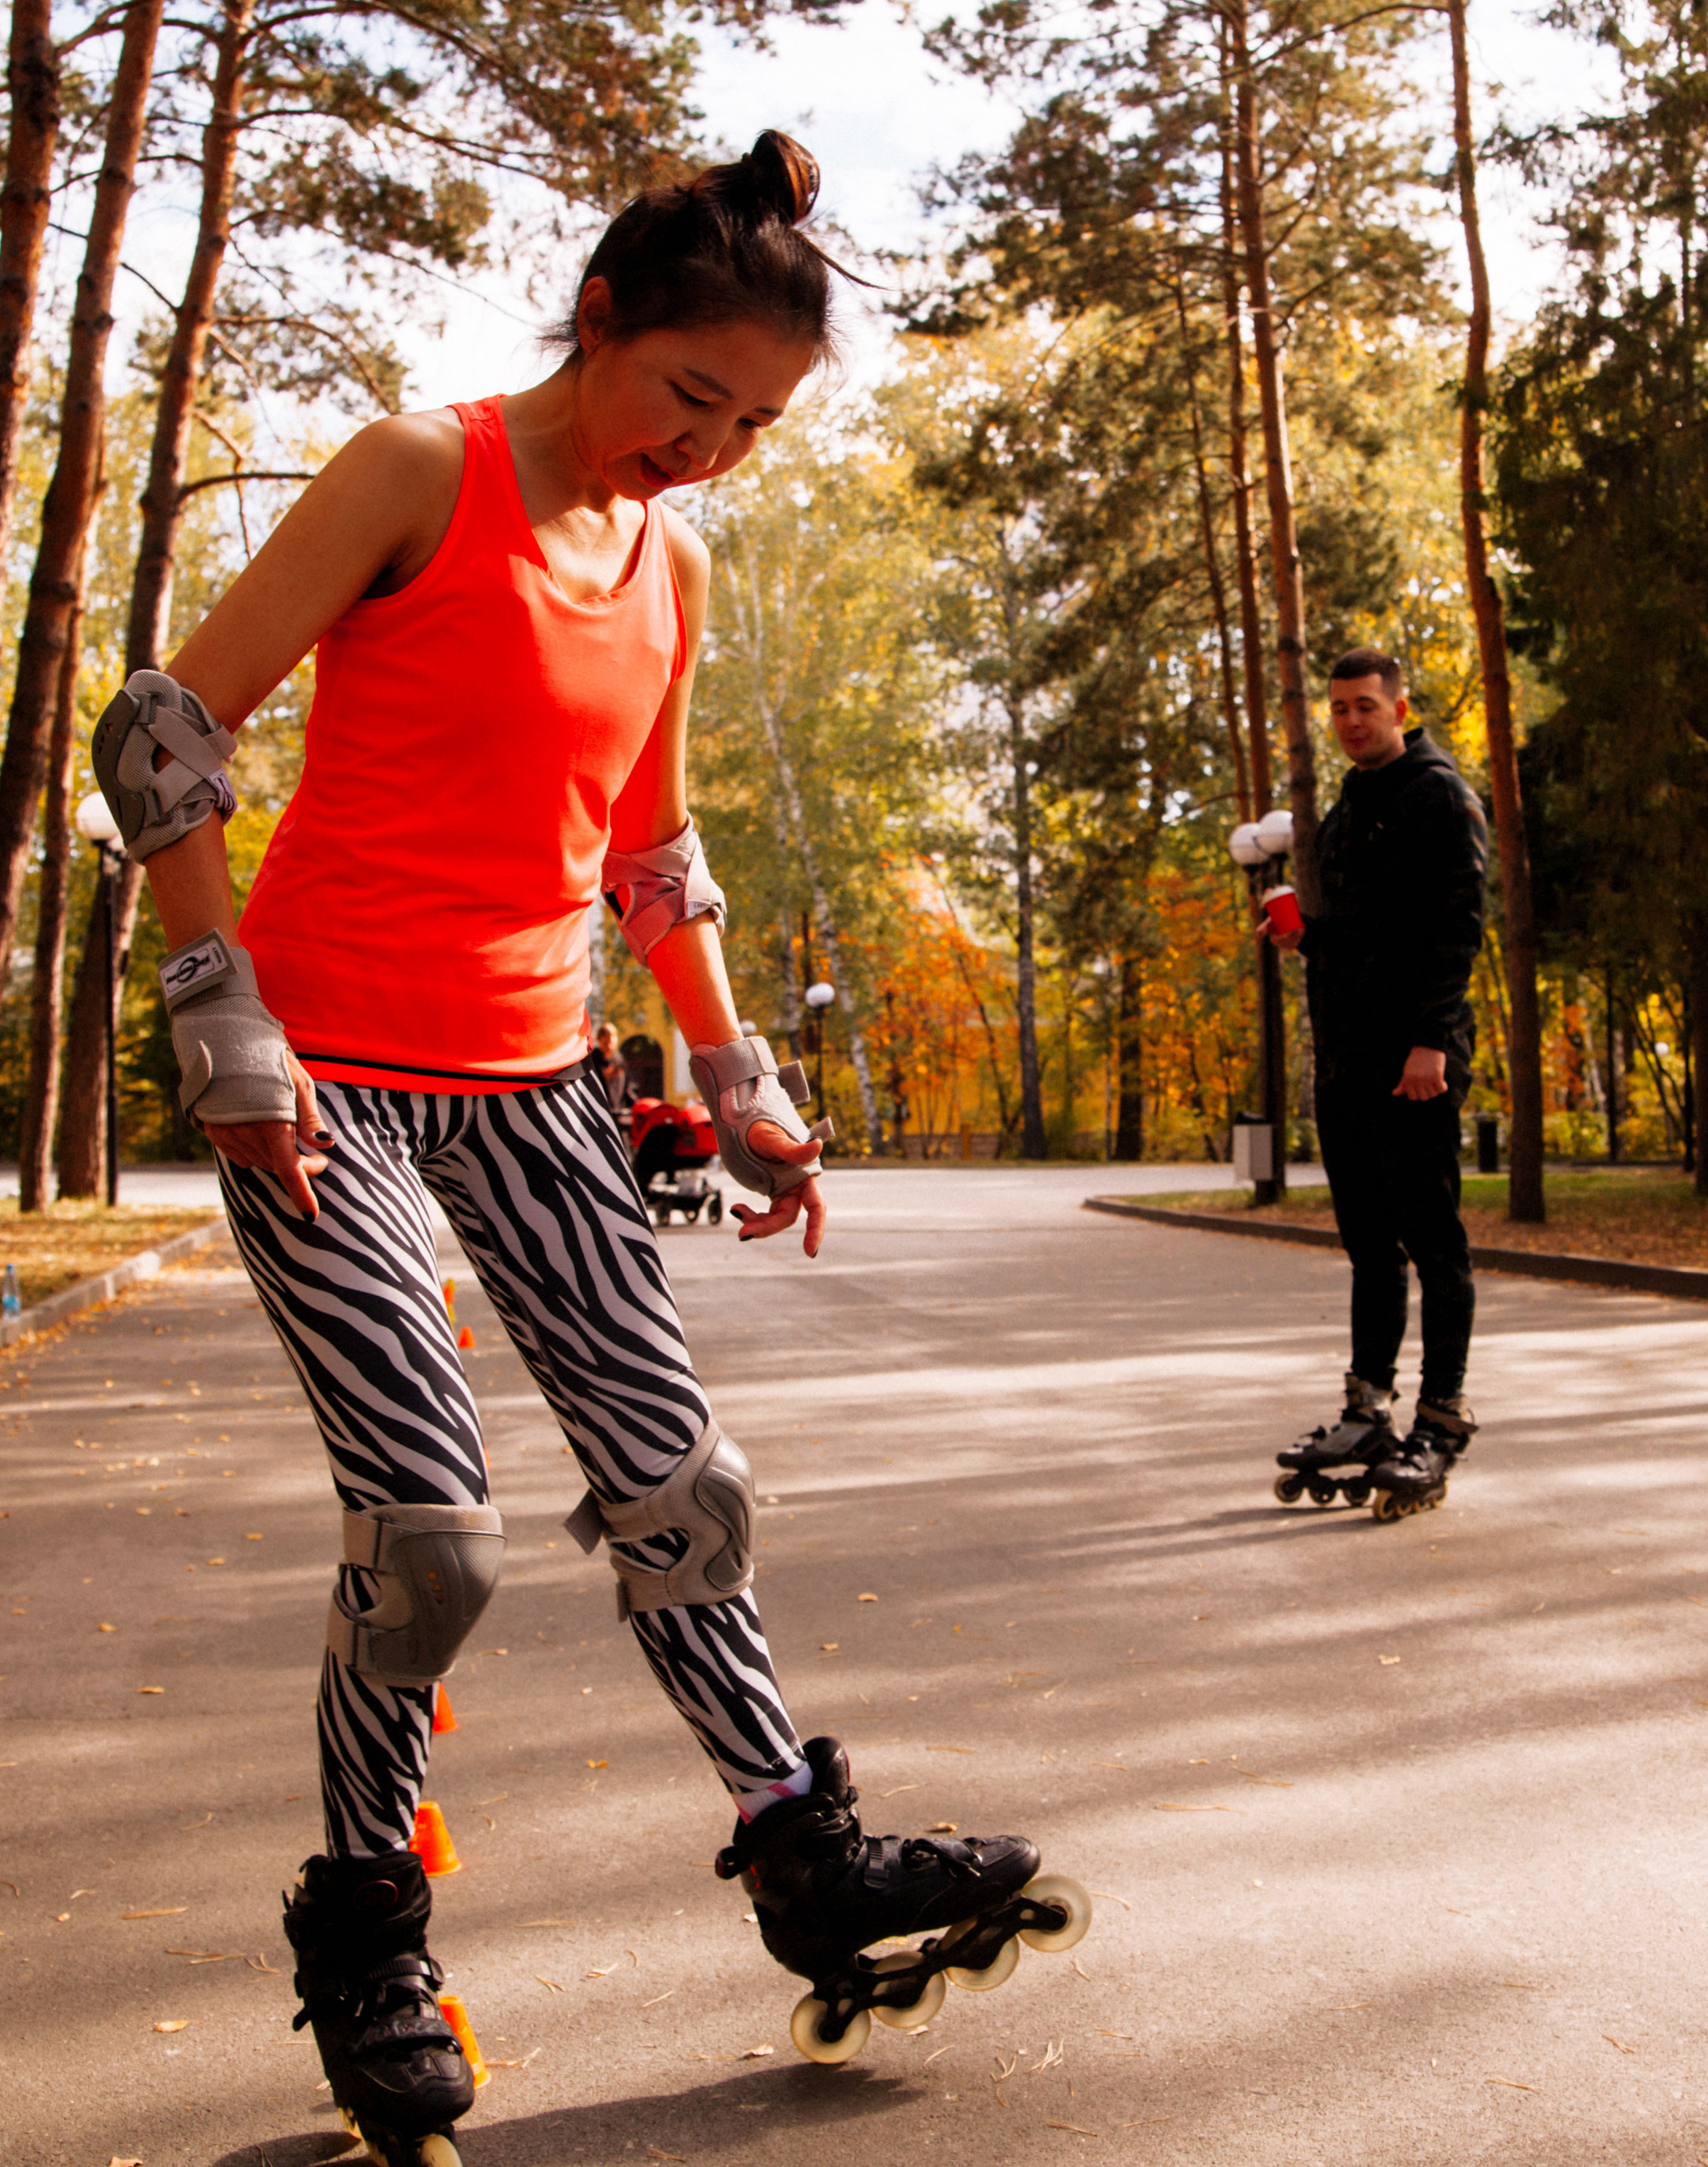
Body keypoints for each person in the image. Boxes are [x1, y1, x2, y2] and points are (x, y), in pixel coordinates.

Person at [92, 133, 1074, 2161]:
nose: (705, 452)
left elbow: (651, 847)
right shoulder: (410, 473)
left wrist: (734, 1076)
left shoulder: (673, 562)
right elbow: (166, 730)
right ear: (601, 318)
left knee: (677, 1488)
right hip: (325, 1076)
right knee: (428, 1533)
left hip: (540, 1076)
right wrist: (221, 1006)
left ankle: (802, 1847)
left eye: (755, 425)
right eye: (686, 398)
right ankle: (367, 1922)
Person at [1264, 648, 1488, 1520]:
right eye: (1341, 710)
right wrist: (1306, 938)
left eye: (1367, 705)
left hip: (1415, 1063)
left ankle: (1442, 1417)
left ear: (1400, 707)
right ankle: (1368, 1412)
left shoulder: (1439, 794)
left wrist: (1430, 1041)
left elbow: (1457, 925)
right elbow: (1366, 934)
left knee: (1435, 1241)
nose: (1353, 720)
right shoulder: (1352, 806)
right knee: (1368, 1245)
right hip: (1350, 1059)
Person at [587, 1019, 634, 1117]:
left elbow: (627, 1086)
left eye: (611, 1043)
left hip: (618, 1111)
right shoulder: (593, 1059)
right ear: (599, 1041)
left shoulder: (619, 1059)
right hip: (598, 1110)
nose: (609, 1046)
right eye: (605, 1043)